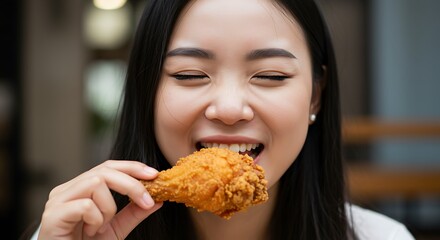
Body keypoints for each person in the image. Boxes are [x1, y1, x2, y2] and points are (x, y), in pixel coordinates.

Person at [31, 0, 415, 239]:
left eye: (271, 76)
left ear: (315, 94)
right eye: (189, 75)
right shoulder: (78, 235)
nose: (230, 109)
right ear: (146, 91)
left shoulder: (380, 237)